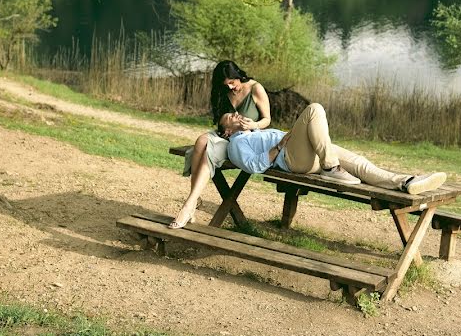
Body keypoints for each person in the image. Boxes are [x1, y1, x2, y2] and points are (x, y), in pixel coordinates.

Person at [223, 103, 446, 193]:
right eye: (230, 117)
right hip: (291, 158)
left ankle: (405, 182)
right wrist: (280, 144)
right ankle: (331, 167)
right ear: (227, 132)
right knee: (314, 109)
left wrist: (255, 127)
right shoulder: (236, 143)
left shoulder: (252, 133)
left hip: (304, 153)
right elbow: (253, 166)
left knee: (359, 163)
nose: (235, 114)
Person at [170, 60, 270, 229]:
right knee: (201, 140)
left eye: (232, 82)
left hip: (245, 139)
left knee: (207, 151)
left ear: (238, 75)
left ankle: (189, 205)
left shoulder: (255, 88)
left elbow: (267, 120)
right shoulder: (224, 91)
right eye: (226, 85)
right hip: (226, 135)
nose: (230, 87)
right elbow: (221, 120)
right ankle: (193, 201)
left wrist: (253, 125)